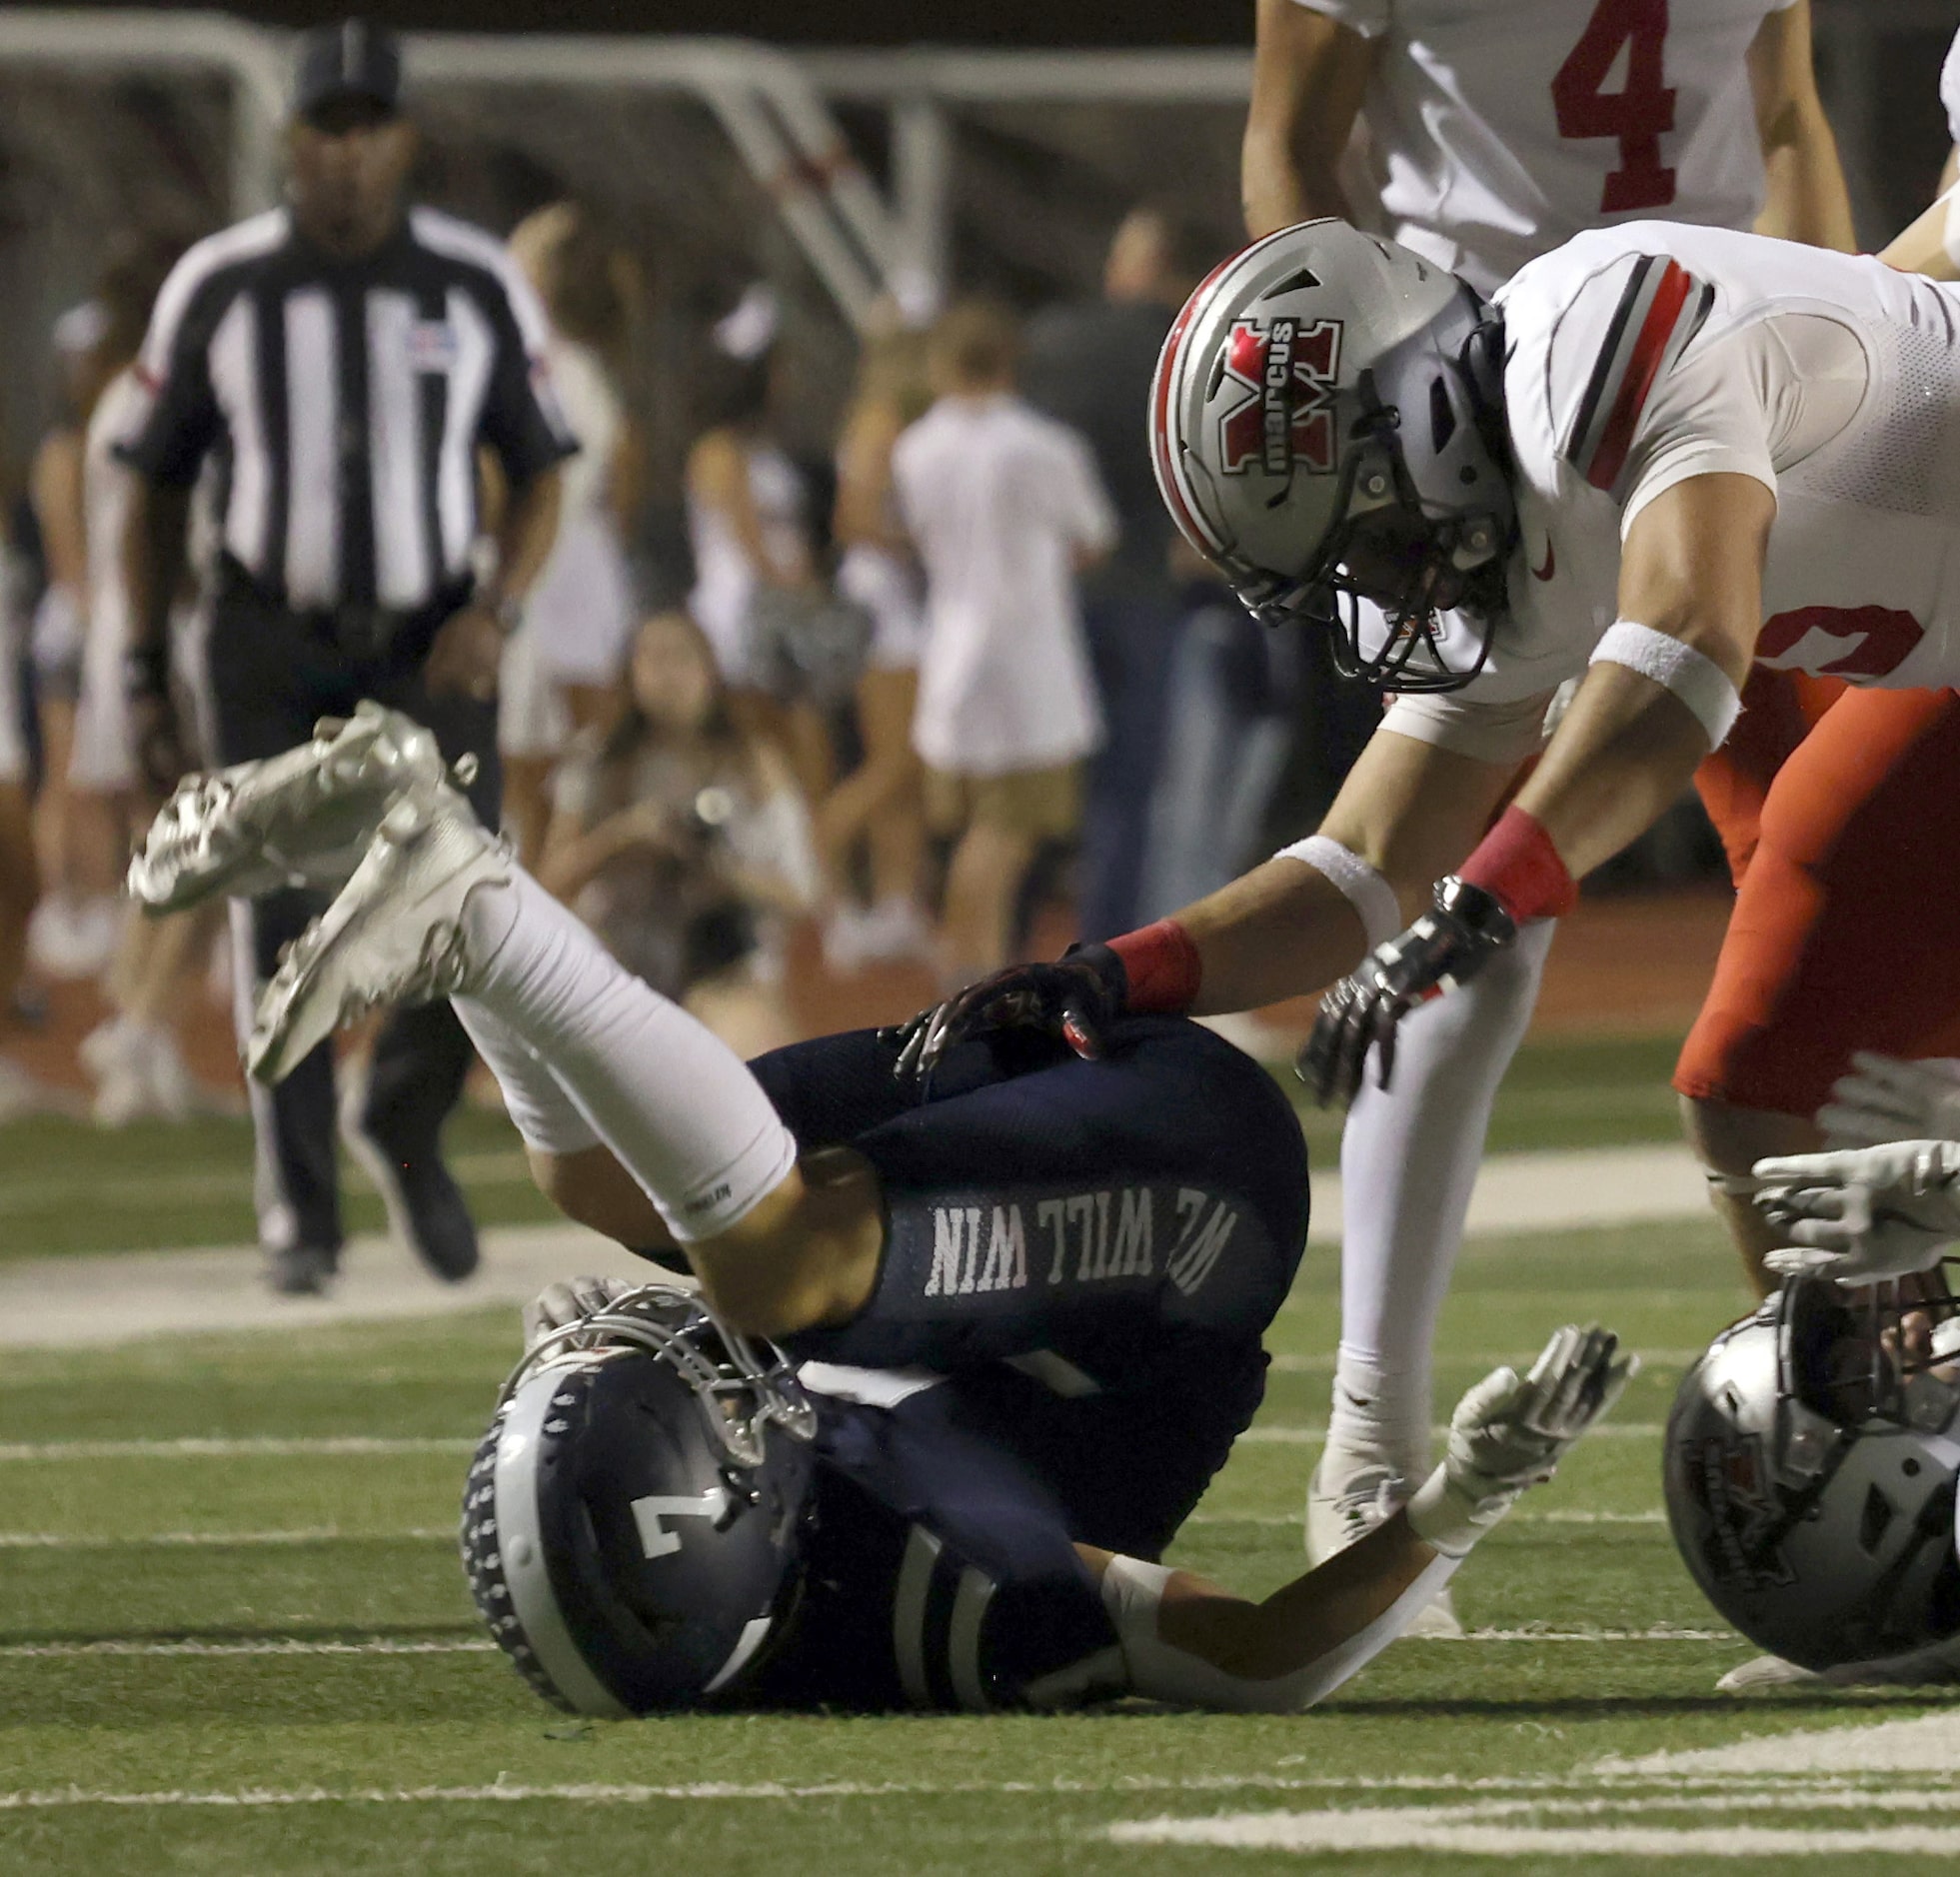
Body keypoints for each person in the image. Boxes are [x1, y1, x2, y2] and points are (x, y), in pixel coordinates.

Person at [126, 706, 1631, 1716]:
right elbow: (1256, 1657)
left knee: (597, 1174)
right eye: (689, 1391)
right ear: (733, 1503)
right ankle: (480, 917)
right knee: (767, 1267)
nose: (677, 1347)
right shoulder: (949, 1588)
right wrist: (1464, 1495)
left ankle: (460, 896)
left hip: (1014, 1162)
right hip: (1191, 1212)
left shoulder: (740, 1586)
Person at [894, 207, 1960, 1577]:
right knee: (1771, 1090)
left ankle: (1896, 1528)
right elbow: (1356, 867)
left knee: (1774, 1069)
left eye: (1369, 534)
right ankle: (1911, 1520)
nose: (1379, 580)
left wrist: (1481, 901)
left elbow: (1687, 646)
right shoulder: (1484, 511)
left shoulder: (1599, 337)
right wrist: (1115, 972)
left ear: (1416, 406)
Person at [1235, 0, 1855, 1594]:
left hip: (1725, 398)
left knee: (1847, 872)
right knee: (1467, 916)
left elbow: (1782, 117)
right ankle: (1371, 1443)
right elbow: (1292, 149)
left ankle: (1865, 1403)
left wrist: (1833, 336)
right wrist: (1369, 386)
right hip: (1483, 430)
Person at [118, 19, 573, 1294]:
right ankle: (301, 1215)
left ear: (403, 140)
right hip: (266, 629)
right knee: (278, 915)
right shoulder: (222, 282)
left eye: (369, 126)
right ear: (290, 140)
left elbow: (542, 474)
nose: (347, 152)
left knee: (464, 897)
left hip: (431, 633)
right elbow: (149, 487)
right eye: (327, 127)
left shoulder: (474, 282)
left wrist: (501, 605)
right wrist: (146, 668)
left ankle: (406, 1124)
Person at [892, 299, 1115, 984]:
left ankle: (970, 970)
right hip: (1025, 663)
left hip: (951, 653)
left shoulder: (915, 446)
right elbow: (1093, 537)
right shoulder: (1041, 446)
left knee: (979, 832)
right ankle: (970, 975)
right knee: (1004, 835)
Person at [1022, 204, 1215, 942]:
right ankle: (1100, 949)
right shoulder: (1187, 349)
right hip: (1145, 587)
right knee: (1128, 791)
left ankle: (997, 950)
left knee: (1030, 789)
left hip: (1048, 594)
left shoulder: (1049, 342)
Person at [538, 609, 819, 1059]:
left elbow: (804, 892)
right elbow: (547, 885)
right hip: (621, 964)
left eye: (682, 658)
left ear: (711, 671)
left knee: (748, 1065)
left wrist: (723, 870)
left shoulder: (754, 763)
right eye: (652, 659)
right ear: (629, 675)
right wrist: (623, 837)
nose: (668, 675)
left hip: (724, 963)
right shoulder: (598, 762)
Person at [499, 201, 642, 866]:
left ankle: (541, 893)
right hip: (583, 566)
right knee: (574, 756)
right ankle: (554, 894)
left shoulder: (543, 365)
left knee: (531, 763)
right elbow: (617, 490)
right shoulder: (588, 373)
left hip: (537, 566)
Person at [820, 321, 933, 972]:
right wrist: (923, 546)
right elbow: (853, 519)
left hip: (899, 602)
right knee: (897, 763)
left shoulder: (890, 417)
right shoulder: (880, 419)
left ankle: (896, 906)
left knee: (906, 774)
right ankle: (822, 886)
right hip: (883, 604)